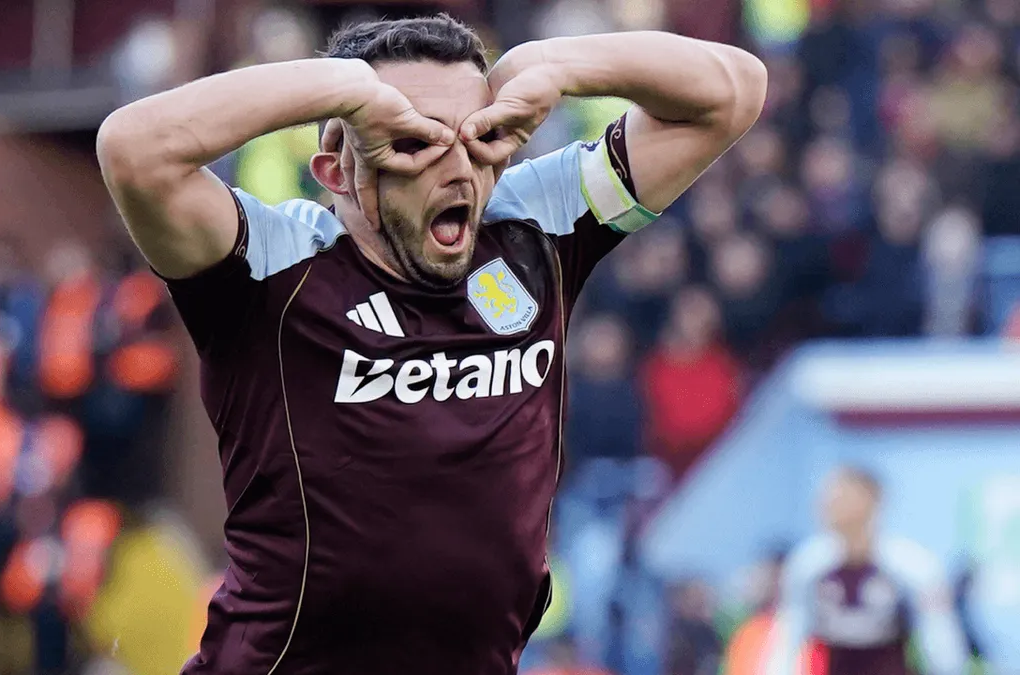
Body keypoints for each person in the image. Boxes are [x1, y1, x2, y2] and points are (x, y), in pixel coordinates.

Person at [97, 13, 766, 675]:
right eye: (417, 140)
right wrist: (342, 89)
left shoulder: (536, 225)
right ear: (337, 169)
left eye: (480, 137)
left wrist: (555, 65)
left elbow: (733, 92)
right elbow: (133, 150)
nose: (460, 169)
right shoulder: (274, 265)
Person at [765, 467, 969, 675]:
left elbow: (941, 642)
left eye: (840, 497)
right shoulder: (808, 565)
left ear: (871, 501)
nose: (826, 505)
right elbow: (788, 637)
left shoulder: (913, 567)